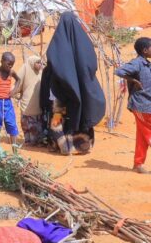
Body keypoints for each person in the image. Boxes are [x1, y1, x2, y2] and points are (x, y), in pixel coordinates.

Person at [40, 12, 106, 155]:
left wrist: (66, 80)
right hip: (82, 87)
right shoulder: (85, 43)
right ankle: (81, 146)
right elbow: (91, 65)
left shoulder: (57, 43)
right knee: (81, 112)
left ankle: (61, 145)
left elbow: (53, 63)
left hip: (60, 90)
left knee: (58, 115)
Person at [115, 37, 151, 173]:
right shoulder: (137, 63)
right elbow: (119, 71)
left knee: (142, 136)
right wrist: (133, 80)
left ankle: (138, 164)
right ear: (145, 50)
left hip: (148, 105)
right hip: (141, 106)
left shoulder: (147, 64)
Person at [14, 56, 44, 146]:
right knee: (26, 124)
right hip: (27, 103)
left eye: (41, 63)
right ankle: (28, 141)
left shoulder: (41, 72)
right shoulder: (25, 69)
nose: (40, 65)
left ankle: (35, 141)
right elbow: (17, 83)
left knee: (36, 125)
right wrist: (17, 93)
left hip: (37, 103)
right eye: (38, 63)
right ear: (32, 63)